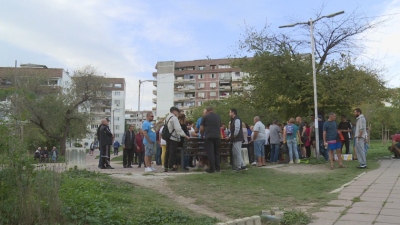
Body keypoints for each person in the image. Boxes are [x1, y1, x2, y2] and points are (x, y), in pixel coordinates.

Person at [164, 107, 190, 172]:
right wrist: (185, 135)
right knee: (172, 153)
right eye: (177, 112)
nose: (177, 113)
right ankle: (170, 166)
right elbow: (178, 129)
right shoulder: (174, 118)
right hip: (173, 137)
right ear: (174, 111)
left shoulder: (167, 118)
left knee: (167, 152)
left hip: (168, 136)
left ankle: (165, 166)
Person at [200, 106, 222, 173]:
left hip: (209, 136)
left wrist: (201, 135)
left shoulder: (205, 117)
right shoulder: (218, 117)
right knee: (217, 152)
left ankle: (212, 169)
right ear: (213, 110)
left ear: (207, 111)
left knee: (210, 153)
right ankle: (218, 168)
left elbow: (201, 128)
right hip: (218, 136)